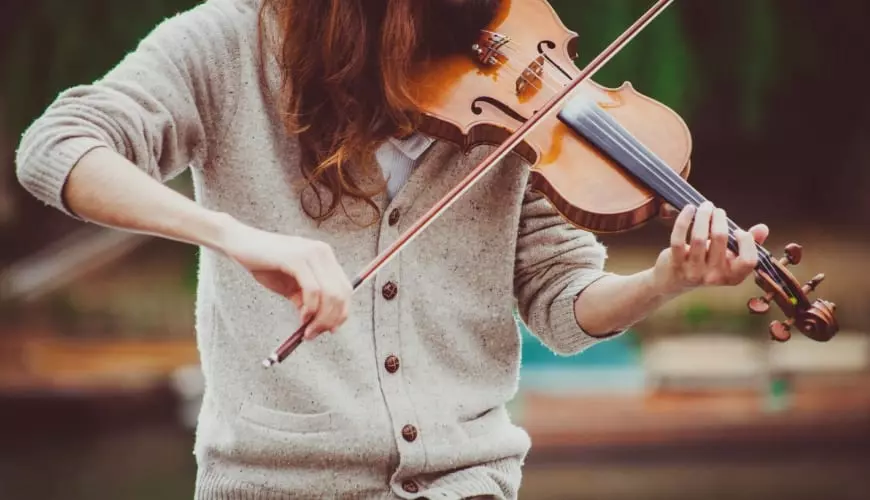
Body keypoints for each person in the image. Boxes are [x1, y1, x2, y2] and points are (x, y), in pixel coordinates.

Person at [15, 0, 770, 498]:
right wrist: (233, 236)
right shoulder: (225, 44)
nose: (475, 42)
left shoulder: (511, 82)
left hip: (469, 485)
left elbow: (562, 302)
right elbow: (56, 147)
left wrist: (665, 280)